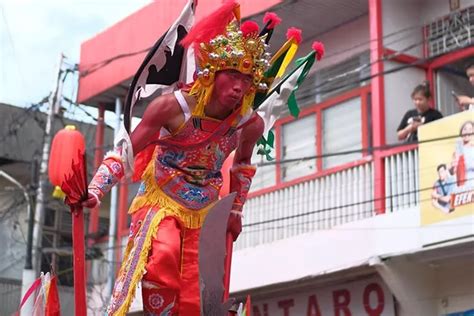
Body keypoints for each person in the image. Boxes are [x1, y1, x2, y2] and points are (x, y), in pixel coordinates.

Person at [80, 3, 278, 315]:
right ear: (212, 72)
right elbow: (126, 152)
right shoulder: (172, 108)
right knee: (165, 254)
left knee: (199, 289)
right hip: (163, 199)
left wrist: (236, 210)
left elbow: (242, 164)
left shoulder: (248, 123)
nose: (239, 86)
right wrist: (95, 190)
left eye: (246, 78)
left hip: (207, 207)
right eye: (231, 74)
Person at [451, 120, 474, 190]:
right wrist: (452, 168)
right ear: (461, 132)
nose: (467, 131)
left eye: (470, 129)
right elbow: (454, 171)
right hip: (462, 187)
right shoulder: (458, 148)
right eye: (465, 129)